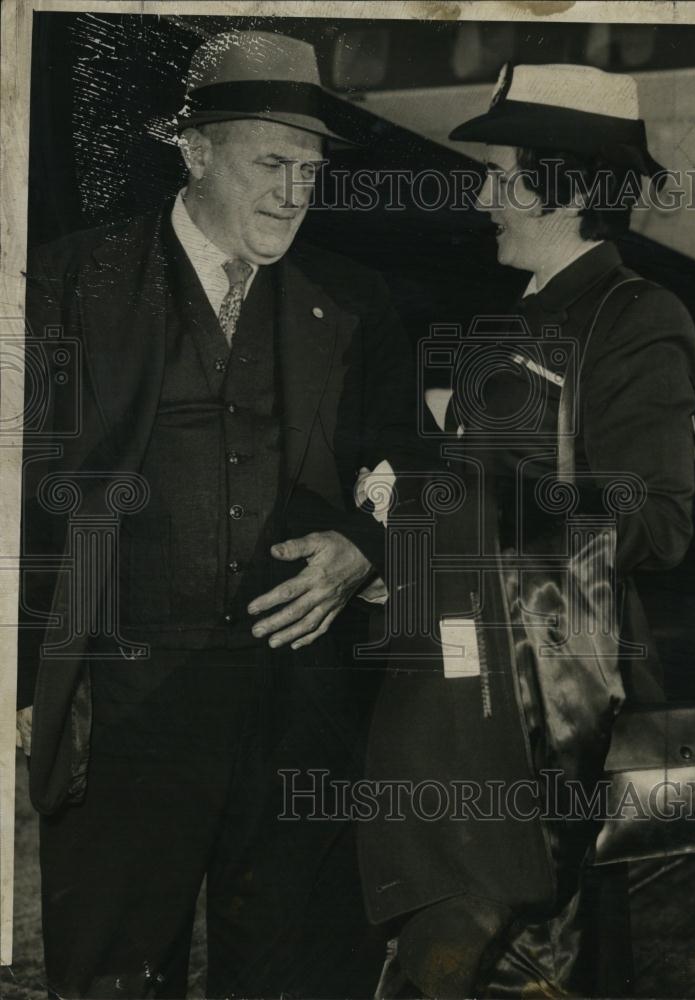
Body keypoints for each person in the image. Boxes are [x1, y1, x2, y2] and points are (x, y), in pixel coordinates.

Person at [18, 30, 414, 999]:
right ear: (194, 152)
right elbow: (22, 491)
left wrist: (364, 550)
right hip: (127, 723)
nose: (293, 194)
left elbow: (423, 465)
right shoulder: (68, 286)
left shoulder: (355, 306)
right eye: (270, 163)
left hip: (297, 727)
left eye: (309, 170)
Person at [361, 62, 695, 998]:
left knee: (525, 963)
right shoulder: (513, 324)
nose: (483, 195)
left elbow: (657, 522)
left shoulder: (638, 319)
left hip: (555, 710)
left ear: (577, 188)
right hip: (474, 708)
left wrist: (450, 503)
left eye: (504, 175)